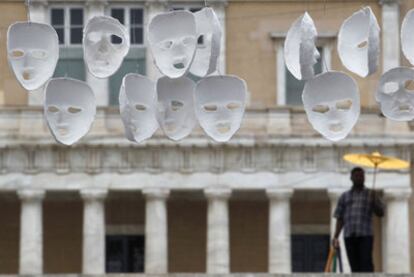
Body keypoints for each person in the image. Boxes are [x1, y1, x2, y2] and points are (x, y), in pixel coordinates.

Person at [332, 167, 385, 272]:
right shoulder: (344, 196)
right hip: (349, 236)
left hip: (365, 235)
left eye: (362, 176)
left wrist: (375, 200)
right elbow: (340, 218)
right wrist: (336, 236)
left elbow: (381, 213)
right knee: (354, 265)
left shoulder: (370, 194)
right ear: (351, 178)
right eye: (357, 176)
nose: (360, 178)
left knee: (366, 263)